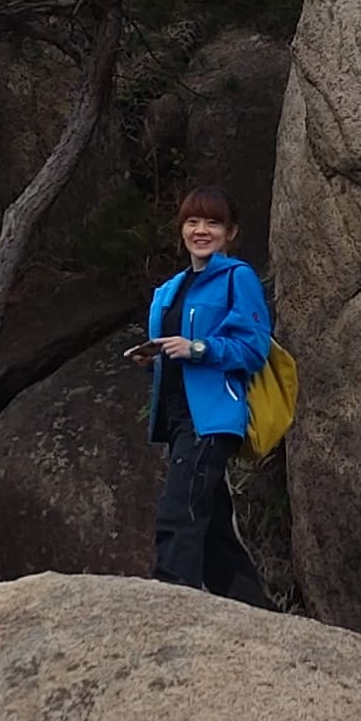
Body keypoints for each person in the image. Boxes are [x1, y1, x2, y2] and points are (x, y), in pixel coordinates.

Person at [138, 187, 270, 600]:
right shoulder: (170, 289)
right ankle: (255, 610)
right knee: (214, 533)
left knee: (179, 511)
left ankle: (171, 599)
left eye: (213, 223)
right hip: (177, 415)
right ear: (181, 229)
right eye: (193, 222)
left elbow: (254, 349)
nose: (201, 230)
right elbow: (172, 347)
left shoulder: (236, 278)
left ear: (231, 232)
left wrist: (198, 348)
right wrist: (153, 355)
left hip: (212, 416)